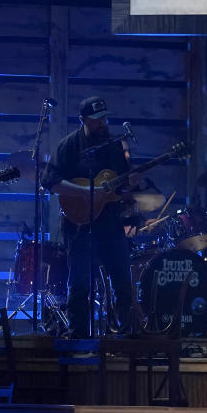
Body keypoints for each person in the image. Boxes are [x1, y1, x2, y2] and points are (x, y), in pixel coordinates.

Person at [42, 96, 139, 337]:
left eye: (104, 118)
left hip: (110, 222)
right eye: (96, 120)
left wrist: (130, 186)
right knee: (80, 285)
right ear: (83, 119)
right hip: (79, 225)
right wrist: (84, 192)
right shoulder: (69, 145)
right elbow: (50, 181)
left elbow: (121, 188)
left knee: (123, 283)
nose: (102, 123)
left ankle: (123, 334)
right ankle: (78, 337)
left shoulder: (114, 145)